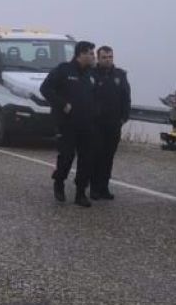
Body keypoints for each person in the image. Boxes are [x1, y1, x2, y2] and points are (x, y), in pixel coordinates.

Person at [39, 41, 98, 207]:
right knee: (66, 157)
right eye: (91, 53)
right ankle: (59, 182)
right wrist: (63, 104)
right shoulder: (63, 70)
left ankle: (80, 193)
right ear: (81, 54)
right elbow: (45, 89)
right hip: (67, 123)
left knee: (86, 159)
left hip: (87, 124)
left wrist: (96, 113)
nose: (93, 57)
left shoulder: (91, 74)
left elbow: (96, 96)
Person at [91, 46, 131, 201]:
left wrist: (123, 118)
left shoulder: (120, 75)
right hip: (96, 124)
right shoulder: (92, 74)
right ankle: (94, 188)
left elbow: (126, 98)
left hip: (114, 124)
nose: (108, 60)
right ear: (98, 58)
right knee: (96, 156)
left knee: (108, 157)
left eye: (110, 57)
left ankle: (104, 187)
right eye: (104, 57)